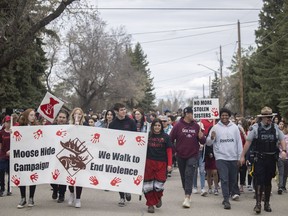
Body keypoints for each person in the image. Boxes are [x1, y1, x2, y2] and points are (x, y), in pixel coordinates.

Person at [240, 106, 287, 214]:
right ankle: (258, 204)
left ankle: (267, 203)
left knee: (267, 182)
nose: (269, 119)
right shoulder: (255, 128)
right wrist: (242, 156)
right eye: (267, 117)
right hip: (259, 159)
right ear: (262, 118)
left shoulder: (275, 128)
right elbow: (248, 142)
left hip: (271, 159)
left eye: (270, 117)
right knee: (259, 182)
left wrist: (283, 150)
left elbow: (282, 139)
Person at [206, 108, 243, 210]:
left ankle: (229, 194)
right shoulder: (215, 127)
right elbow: (208, 143)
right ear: (220, 116)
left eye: (226, 115)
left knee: (232, 179)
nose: (224, 117)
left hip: (233, 157)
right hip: (221, 157)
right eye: (222, 115)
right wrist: (212, 138)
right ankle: (226, 200)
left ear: (229, 116)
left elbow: (239, 142)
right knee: (224, 179)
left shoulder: (235, 127)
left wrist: (240, 156)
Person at [169, 106, 206, 208]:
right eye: (191, 113)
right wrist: (174, 151)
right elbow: (170, 139)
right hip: (180, 155)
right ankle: (187, 193)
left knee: (189, 174)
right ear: (187, 114)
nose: (193, 116)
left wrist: (201, 137)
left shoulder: (196, 126)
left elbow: (203, 141)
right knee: (184, 176)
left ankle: (187, 197)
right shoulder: (178, 126)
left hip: (193, 155)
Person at [108, 103, 137, 207]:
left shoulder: (131, 122)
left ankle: (127, 189)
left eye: (125, 109)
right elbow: (109, 139)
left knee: (127, 174)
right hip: (117, 154)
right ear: (116, 112)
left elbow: (135, 137)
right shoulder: (112, 124)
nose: (124, 111)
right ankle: (121, 196)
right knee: (119, 174)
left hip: (129, 153)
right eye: (121, 110)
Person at [143, 118, 173, 213]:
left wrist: (169, 164)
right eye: (155, 125)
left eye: (159, 125)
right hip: (149, 163)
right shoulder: (147, 136)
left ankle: (158, 198)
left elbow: (169, 151)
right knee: (148, 186)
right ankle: (150, 204)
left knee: (159, 185)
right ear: (152, 126)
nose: (157, 127)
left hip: (161, 163)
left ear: (161, 127)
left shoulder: (166, 137)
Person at [17, 108, 37, 208]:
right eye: (31, 115)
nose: (33, 117)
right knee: (23, 177)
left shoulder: (37, 127)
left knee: (33, 177)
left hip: (33, 156)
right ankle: (23, 198)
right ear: (26, 116)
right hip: (23, 156)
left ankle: (31, 198)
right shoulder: (20, 127)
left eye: (34, 115)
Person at [68, 107, 85, 208]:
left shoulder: (85, 126)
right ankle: (71, 193)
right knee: (70, 175)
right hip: (70, 154)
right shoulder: (68, 126)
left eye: (79, 114)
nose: (77, 116)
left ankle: (78, 198)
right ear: (72, 115)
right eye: (75, 114)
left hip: (81, 155)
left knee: (79, 178)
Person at [51, 110, 69, 203]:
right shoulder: (51, 127)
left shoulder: (69, 128)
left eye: (63, 117)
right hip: (52, 155)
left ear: (66, 119)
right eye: (60, 117)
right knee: (51, 175)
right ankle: (54, 188)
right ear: (57, 117)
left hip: (64, 155)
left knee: (62, 175)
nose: (61, 119)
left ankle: (62, 194)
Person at [0, 116, 11, 197]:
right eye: (7, 122)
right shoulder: (1, 132)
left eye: (10, 122)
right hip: (3, 155)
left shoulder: (13, 132)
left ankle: (9, 189)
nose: (8, 123)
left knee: (10, 173)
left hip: (11, 155)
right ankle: (2, 188)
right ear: (4, 123)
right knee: (2, 171)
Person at [277, 124, 288, 194]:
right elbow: (277, 145)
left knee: (286, 173)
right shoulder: (281, 137)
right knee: (281, 172)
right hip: (280, 157)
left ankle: (283, 186)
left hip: (287, 158)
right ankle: (280, 186)